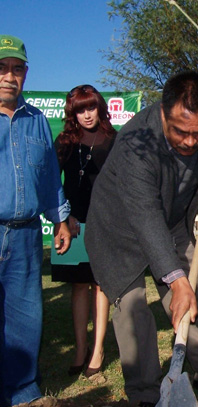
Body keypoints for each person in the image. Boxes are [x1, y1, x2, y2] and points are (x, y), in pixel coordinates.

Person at [85, 71, 198, 407]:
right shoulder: (137, 141)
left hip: (172, 224)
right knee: (133, 313)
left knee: (197, 297)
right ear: (163, 113)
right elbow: (144, 214)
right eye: (180, 131)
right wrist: (175, 281)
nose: (190, 142)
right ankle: (146, 394)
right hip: (118, 230)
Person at [0, 34, 71, 407]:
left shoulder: (37, 120)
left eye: (17, 69)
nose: (9, 76)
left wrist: (60, 220)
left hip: (26, 235)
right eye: (1, 67)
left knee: (25, 318)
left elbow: (47, 177)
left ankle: (22, 397)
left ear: (25, 74)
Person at [53, 84, 116, 378]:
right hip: (73, 224)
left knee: (100, 286)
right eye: (80, 109)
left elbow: (121, 185)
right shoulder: (64, 141)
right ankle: (80, 349)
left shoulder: (113, 139)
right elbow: (53, 184)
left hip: (104, 223)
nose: (86, 114)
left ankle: (97, 350)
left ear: (99, 107)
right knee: (78, 287)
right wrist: (65, 218)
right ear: (72, 113)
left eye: (90, 107)